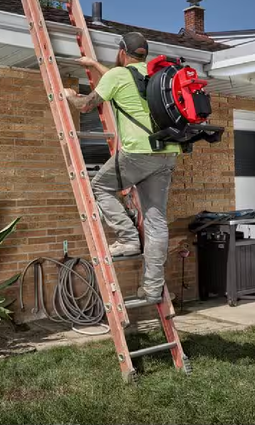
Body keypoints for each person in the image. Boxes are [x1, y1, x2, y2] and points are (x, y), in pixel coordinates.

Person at [64, 32, 180, 305]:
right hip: (167, 154)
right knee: (156, 221)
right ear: (144, 54)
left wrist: (69, 95)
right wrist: (94, 66)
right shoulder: (155, 75)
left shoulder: (118, 76)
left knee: (99, 186)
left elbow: (86, 106)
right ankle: (152, 289)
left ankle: (127, 238)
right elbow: (120, 79)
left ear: (121, 52)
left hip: (137, 154)